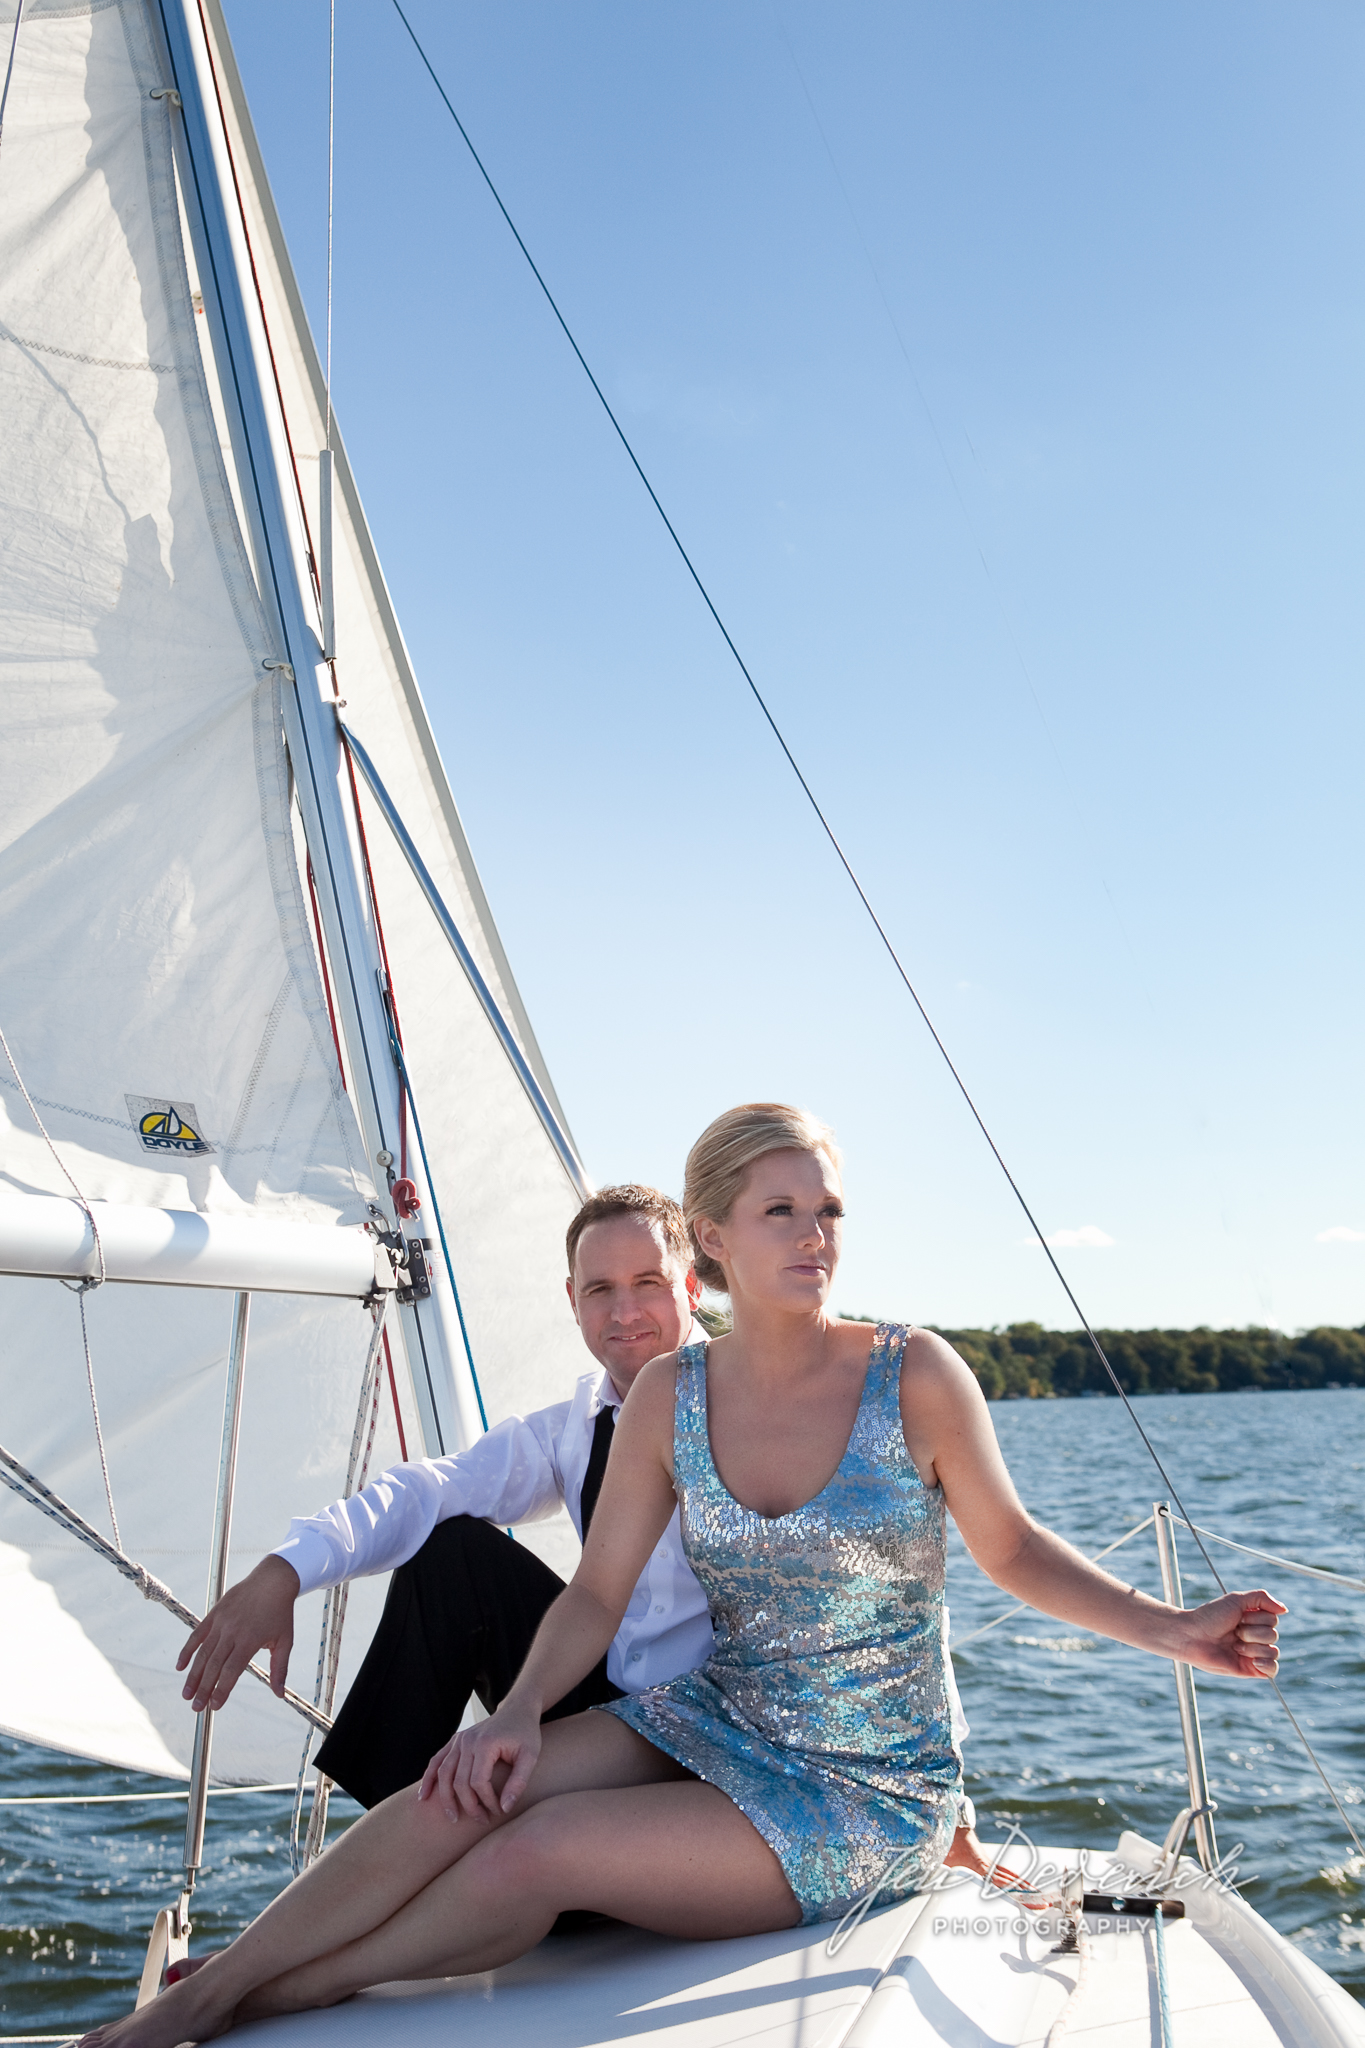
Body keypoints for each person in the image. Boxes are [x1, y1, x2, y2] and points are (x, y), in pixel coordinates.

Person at [81, 1104, 1284, 2048]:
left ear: (680, 1267)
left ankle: (279, 1991)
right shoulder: (668, 1398)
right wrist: (507, 1716)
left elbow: (1011, 1549)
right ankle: (213, 1987)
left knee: (528, 1852)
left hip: (867, 1786)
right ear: (716, 1236)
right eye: (781, 1211)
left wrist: (1178, 1627)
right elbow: (592, 1594)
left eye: (828, 1209)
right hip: (714, 1714)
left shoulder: (915, 1374)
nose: (815, 1235)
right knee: (473, 1791)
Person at [177, 1185, 717, 1810]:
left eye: (648, 1282)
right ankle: (386, 1825)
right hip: (606, 1695)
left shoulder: (748, 1402)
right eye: (599, 1289)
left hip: (723, 1718)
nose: (623, 1312)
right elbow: (429, 1488)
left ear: (693, 1287)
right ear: (572, 1301)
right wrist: (286, 1570)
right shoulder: (574, 1429)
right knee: (450, 1549)